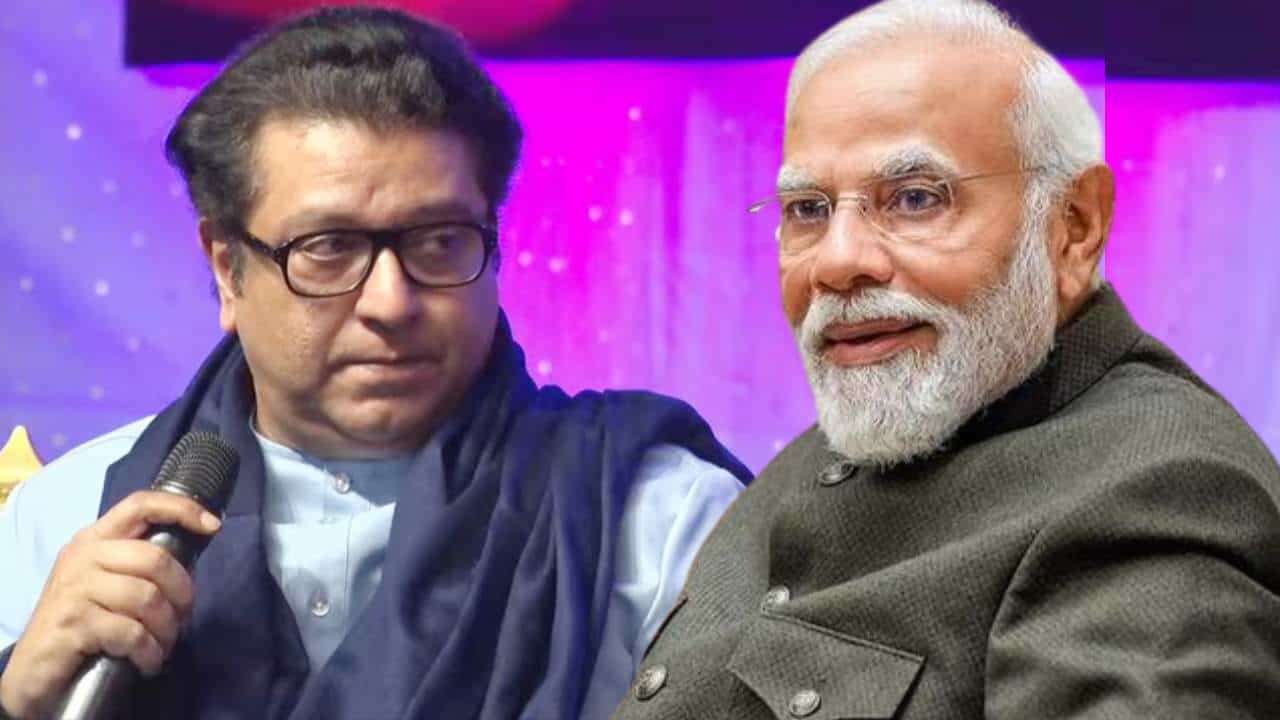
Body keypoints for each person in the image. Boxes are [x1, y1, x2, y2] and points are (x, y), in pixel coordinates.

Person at [0, 7, 750, 719]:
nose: (391, 302)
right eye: (328, 247)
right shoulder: (71, 520)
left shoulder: (658, 522)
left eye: (439, 241)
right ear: (228, 270)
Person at [612, 1, 1280, 718]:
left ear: (1074, 226)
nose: (836, 261)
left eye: (914, 199)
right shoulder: (900, 416)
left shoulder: (1159, 491)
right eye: (807, 209)